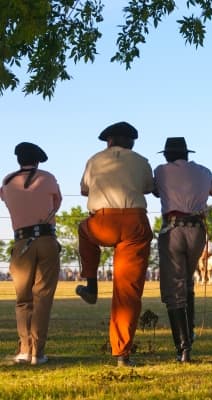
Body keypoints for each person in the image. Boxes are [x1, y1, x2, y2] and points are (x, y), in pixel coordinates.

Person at [76, 121, 154, 367]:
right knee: (127, 291)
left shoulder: (94, 159)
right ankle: (122, 354)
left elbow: (84, 190)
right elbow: (149, 188)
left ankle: (90, 282)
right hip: (134, 223)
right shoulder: (141, 161)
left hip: (102, 222)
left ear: (108, 141)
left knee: (83, 230)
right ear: (131, 142)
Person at [153, 137, 212, 362]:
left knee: (173, 287)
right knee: (187, 281)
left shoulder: (161, 171)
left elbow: (154, 191)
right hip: (197, 231)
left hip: (173, 229)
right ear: (187, 154)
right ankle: (190, 333)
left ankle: (183, 347)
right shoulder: (203, 171)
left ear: (166, 155)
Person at [0, 142, 62, 365]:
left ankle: (24, 349)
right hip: (46, 239)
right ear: (38, 161)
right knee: (42, 297)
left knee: (22, 298)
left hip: (21, 241)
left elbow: (6, 200)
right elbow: (57, 203)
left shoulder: (7, 182)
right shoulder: (48, 177)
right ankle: (38, 352)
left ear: (18, 160)